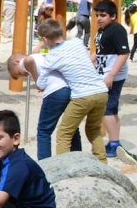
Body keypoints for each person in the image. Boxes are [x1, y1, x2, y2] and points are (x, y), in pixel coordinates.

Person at [23, 19, 108, 162]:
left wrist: (35, 76)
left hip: (82, 96)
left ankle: (64, 166)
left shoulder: (52, 56)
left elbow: (42, 83)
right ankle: (102, 161)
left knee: (64, 134)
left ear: (44, 39)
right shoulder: (77, 43)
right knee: (93, 130)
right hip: (101, 92)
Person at [91, 0, 130, 158]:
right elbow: (98, 52)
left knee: (107, 108)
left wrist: (112, 75)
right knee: (110, 109)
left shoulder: (117, 30)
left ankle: (114, 143)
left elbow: (124, 53)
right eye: (97, 15)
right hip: (102, 73)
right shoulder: (101, 30)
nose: (99, 18)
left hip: (113, 75)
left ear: (113, 16)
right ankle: (114, 141)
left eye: (103, 15)